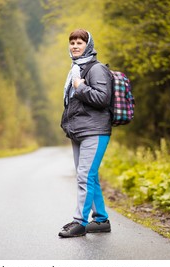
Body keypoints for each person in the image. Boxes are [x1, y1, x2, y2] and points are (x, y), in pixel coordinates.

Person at [59, 29, 113, 238]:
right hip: (79, 131)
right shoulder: (75, 69)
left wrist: (80, 87)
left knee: (84, 176)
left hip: (95, 130)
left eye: (79, 42)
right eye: (72, 42)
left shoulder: (96, 69)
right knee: (90, 176)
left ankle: (79, 222)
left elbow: (102, 98)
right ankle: (100, 220)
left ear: (88, 45)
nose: (74, 46)